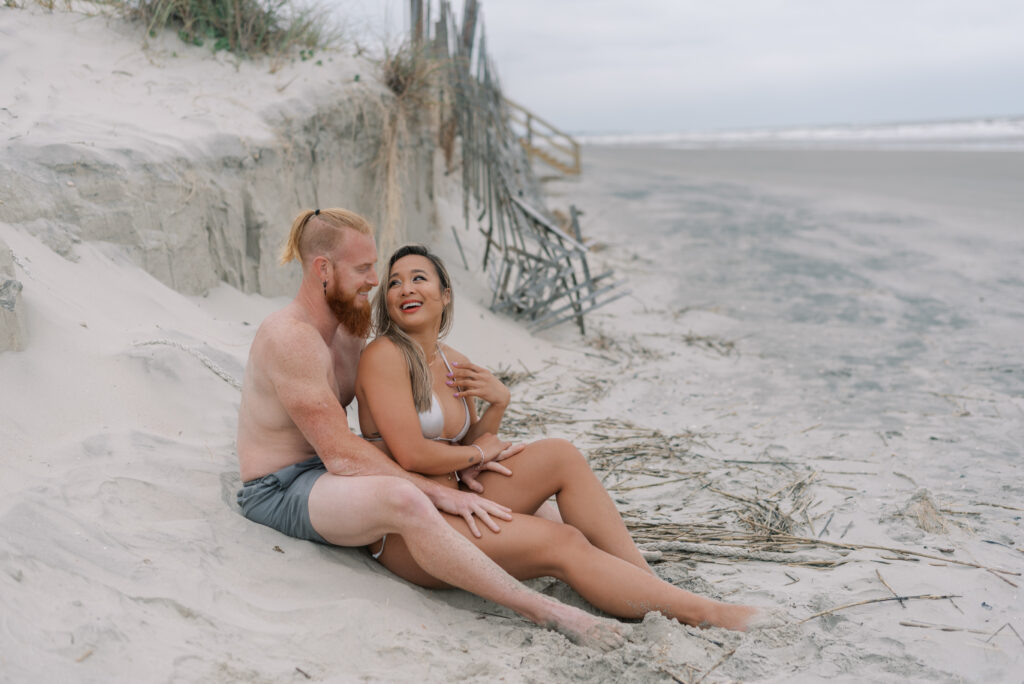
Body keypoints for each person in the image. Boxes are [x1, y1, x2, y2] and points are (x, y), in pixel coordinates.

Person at [235, 208, 628, 650]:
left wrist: (474, 445)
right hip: (281, 486)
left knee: (546, 511)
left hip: (328, 471)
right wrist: (437, 488)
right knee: (406, 496)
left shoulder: (348, 331)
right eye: (364, 269)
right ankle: (546, 610)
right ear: (323, 269)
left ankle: (634, 581)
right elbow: (341, 453)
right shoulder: (291, 337)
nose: (374, 281)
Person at [355, 244, 760, 631]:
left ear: (444, 295)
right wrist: (478, 452)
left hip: (460, 497)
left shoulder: (454, 361)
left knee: (561, 455)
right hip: (411, 528)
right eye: (394, 282)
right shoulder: (384, 355)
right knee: (562, 541)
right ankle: (703, 612)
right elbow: (411, 454)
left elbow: (468, 448)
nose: (405, 288)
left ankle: (647, 584)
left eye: (418, 278)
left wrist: (498, 403)